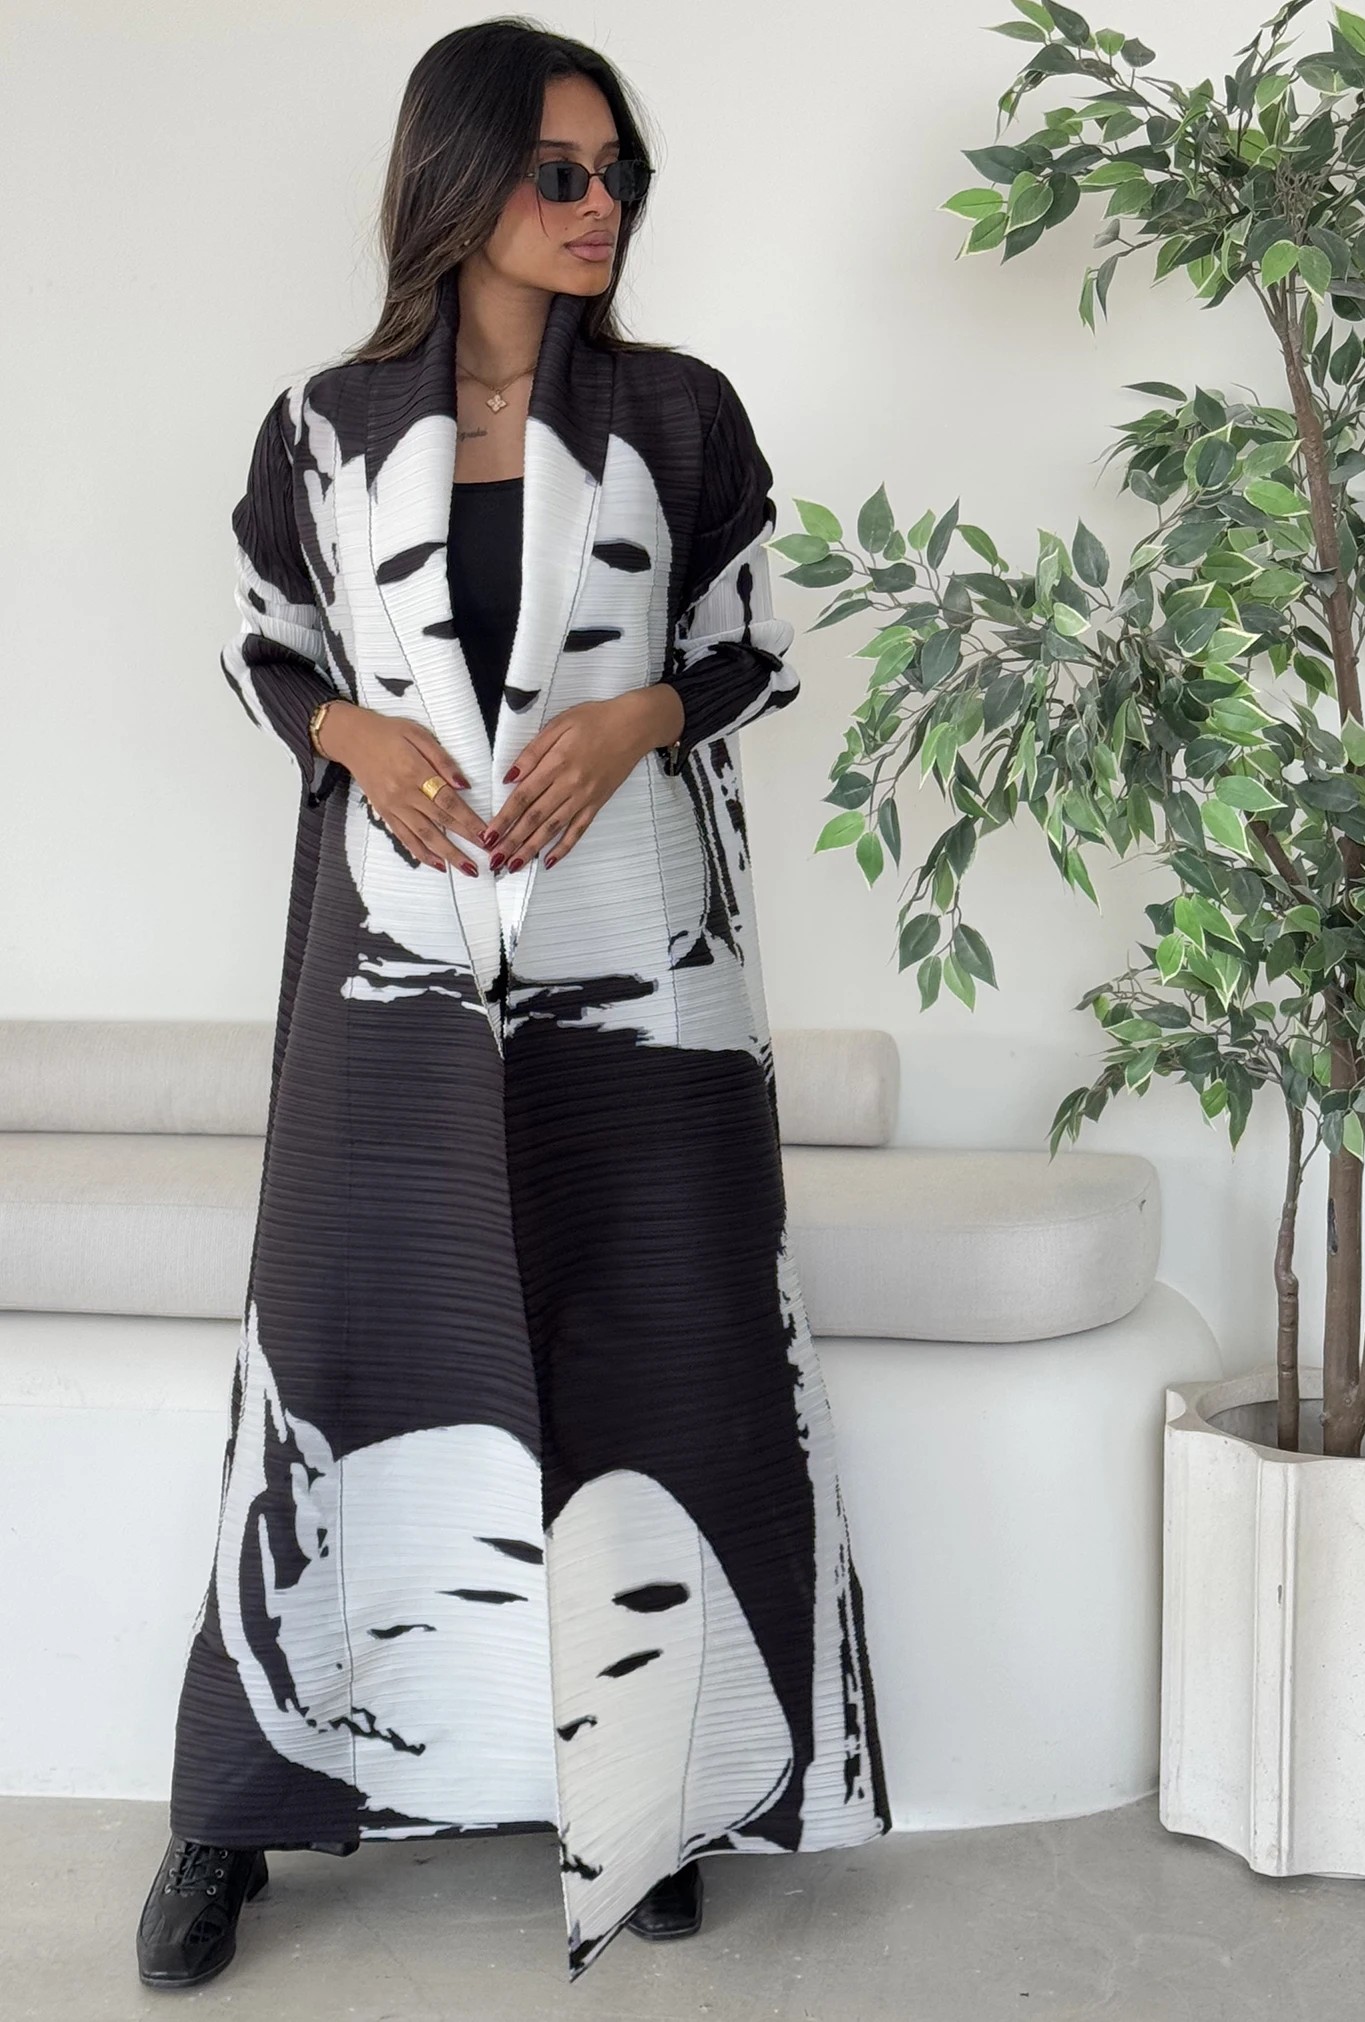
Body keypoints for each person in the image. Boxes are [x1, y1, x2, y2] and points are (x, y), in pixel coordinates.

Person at [135, 15, 888, 1993]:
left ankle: (654, 1797)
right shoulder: (323, 421)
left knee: (659, 1342)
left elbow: (758, 636)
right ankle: (240, 1806)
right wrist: (350, 733)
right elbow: (263, 640)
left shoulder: (681, 411)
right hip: (392, 988)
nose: (601, 201)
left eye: (617, 170)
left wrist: (641, 714)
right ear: (460, 181)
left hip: (636, 980)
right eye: (562, 170)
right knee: (338, 1356)